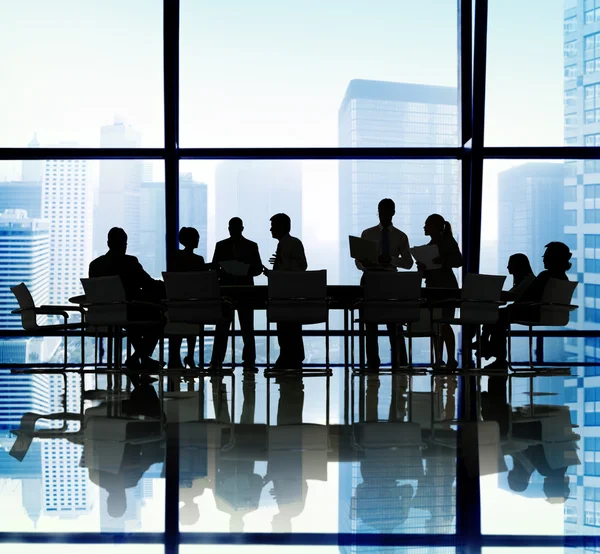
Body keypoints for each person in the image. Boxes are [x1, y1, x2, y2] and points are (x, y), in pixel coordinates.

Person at [484, 242, 572, 369]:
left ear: (554, 258)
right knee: (501, 315)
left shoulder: (545, 275)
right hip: (548, 314)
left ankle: (497, 356)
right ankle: (490, 348)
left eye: (546, 256)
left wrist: (514, 306)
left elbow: (529, 295)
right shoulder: (563, 278)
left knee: (498, 315)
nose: (543, 259)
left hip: (535, 312)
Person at [89, 227, 165, 371]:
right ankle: (137, 358)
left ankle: (141, 359)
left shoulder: (95, 265)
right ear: (124, 244)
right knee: (159, 319)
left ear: (108, 243)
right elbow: (148, 284)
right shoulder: (130, 262)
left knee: (133, 324)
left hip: (101, 314)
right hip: (129, 311)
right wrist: (165, 285)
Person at [356, 198, 413, 371]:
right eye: (381, 211)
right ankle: (373, 362)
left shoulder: (400, 236)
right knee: (371, 323)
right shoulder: (367, 234)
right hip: (371, 277)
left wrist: (392, 260)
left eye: (386, 211)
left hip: (390, 280)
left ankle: (399, 361)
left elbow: (409, 263)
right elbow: (358, 260)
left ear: (393, 212)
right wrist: (365, 264)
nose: (383, 215)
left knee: (394, 323)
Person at [210, 217, 263, 370]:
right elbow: (215, 266)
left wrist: (243, 269)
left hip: (236, 290)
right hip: (236, 290)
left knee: (240, 328)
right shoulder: (248, 246)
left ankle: (218, 362)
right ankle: (245, 362)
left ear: (241, 228)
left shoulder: (227, 246)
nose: (232, 230)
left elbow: (257, 268)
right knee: (239, 328)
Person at [416, 214, 462, 369]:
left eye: (427, 225)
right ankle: (439, 358)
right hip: (433, 287)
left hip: (446, 288)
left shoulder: (447, 242)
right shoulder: (429, 247)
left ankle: (449, 359)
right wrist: (422, 269)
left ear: (435, 227)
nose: (424, 227)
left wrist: (444, 261)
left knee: (444, 323)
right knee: (436, 324)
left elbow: (459, 260)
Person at [264, 213, 307, 370]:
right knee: (288, 328)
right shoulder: (288, 243)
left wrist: (280, 266)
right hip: (287, 292)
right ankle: (291, 357)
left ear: (281, 227)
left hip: (288, 293)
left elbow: (301, 266)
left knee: (287, 328)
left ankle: (289, 357)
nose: (270, 229)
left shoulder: (291, 244)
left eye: (273, 226)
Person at [168, 227, 207, 369]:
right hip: (193, 304)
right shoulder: (198, 260)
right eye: (196, 237)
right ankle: (190, 357)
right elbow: (202, 280)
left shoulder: (175, 258)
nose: (198, 240)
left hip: (177, 303)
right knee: (195, 321)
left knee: (178, 326)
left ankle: (175, 359)